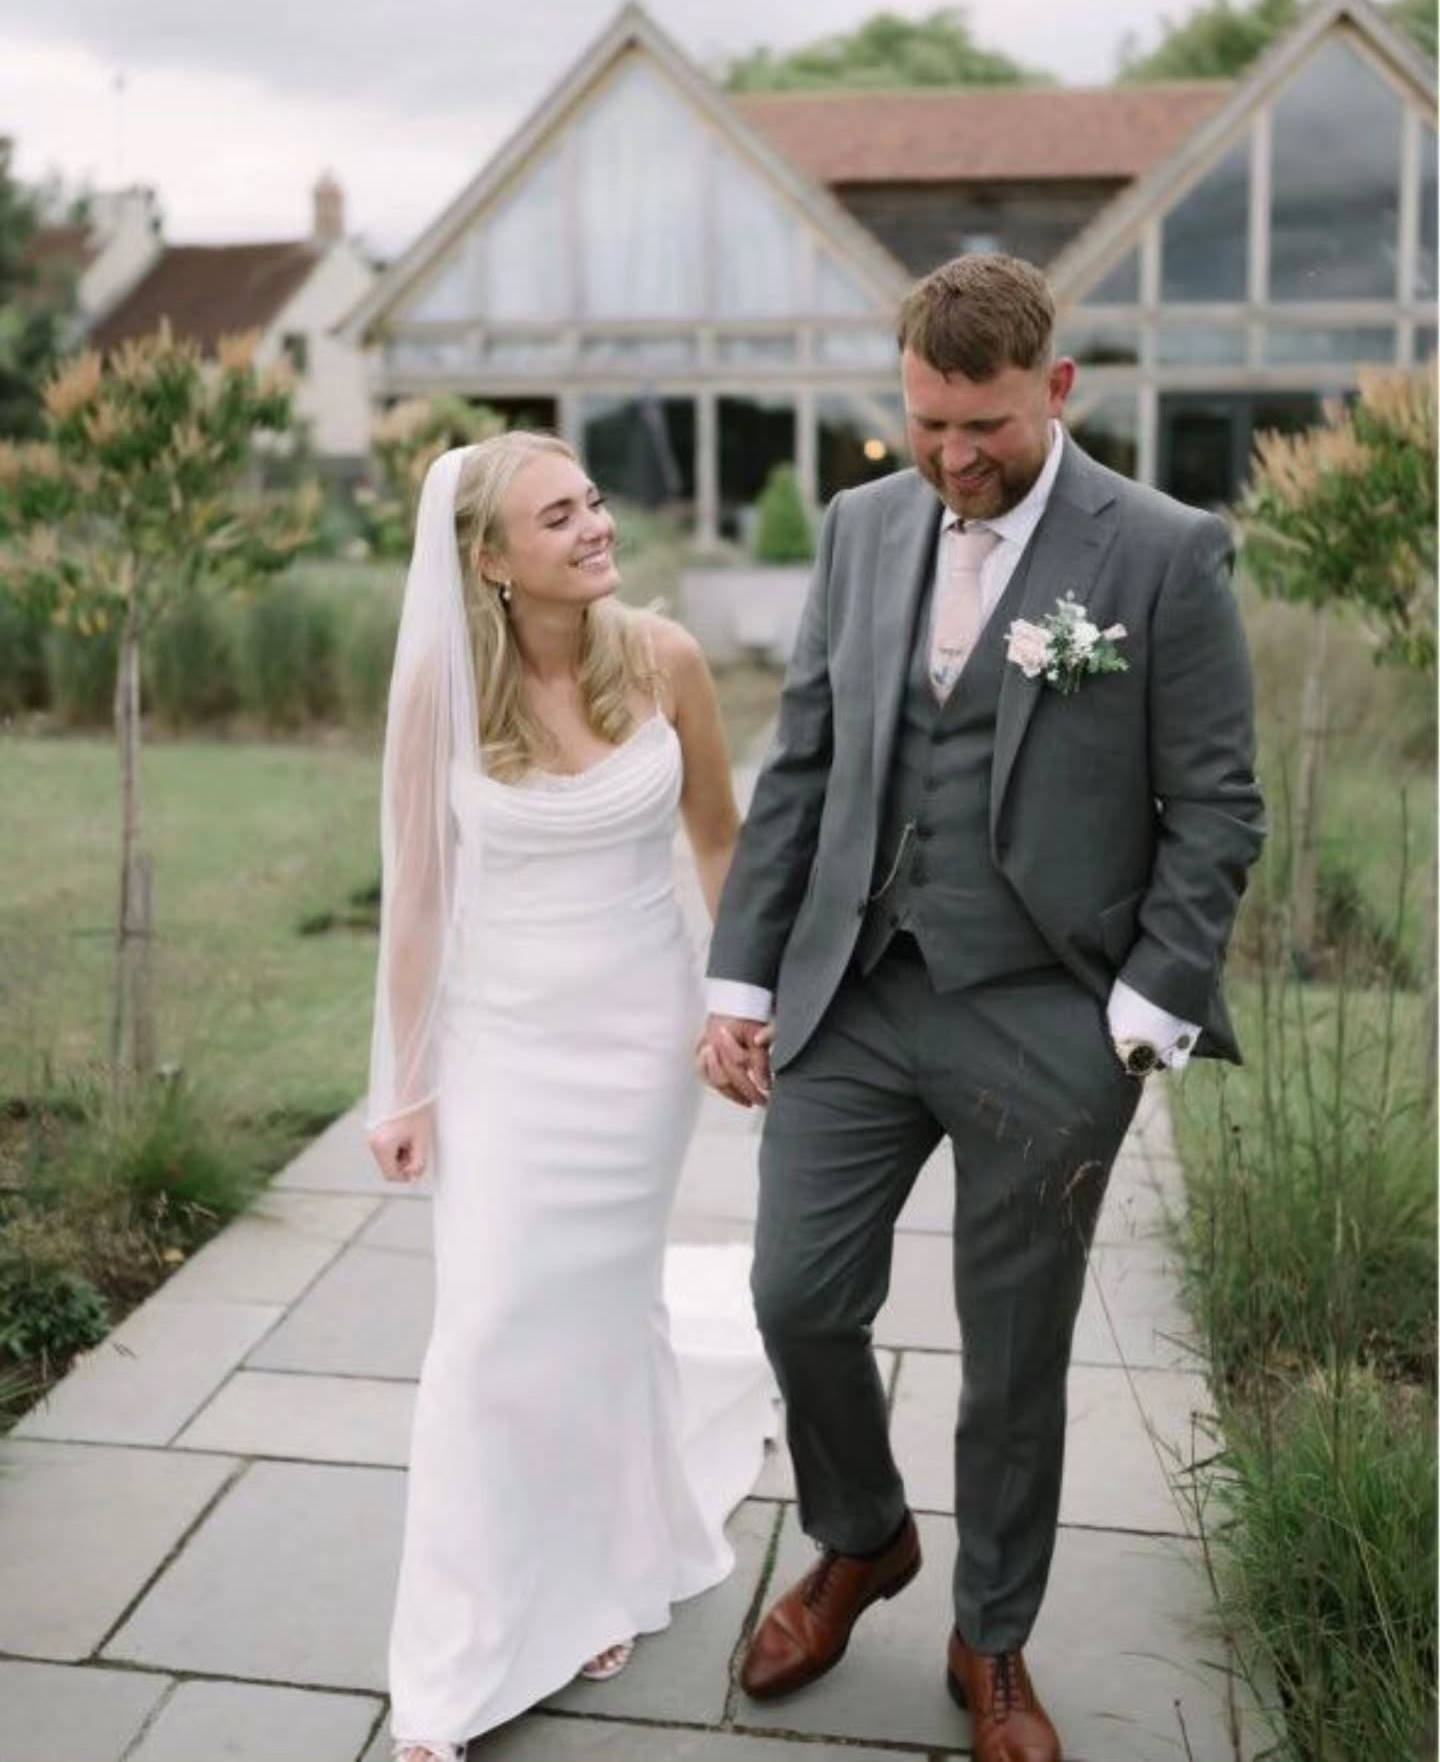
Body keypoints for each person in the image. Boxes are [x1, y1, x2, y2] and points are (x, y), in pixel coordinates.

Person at [699, 254, 1264, 1762]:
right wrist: (742, 975)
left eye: (987, 427)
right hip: (860, 991)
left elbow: (1216, 807)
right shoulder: (860, 526)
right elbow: (803, 765)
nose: (955, 458)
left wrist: (1145, 1014)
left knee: (1015, 1358)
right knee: (796, 1293)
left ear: (1058, 389)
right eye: (929, 422)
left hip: (1048, 1017)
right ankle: (863, 1534)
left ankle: (992, 1635)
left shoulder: (1162, 550)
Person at [365, 430, 773, 1762]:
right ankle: (453, 1663)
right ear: (487, 559)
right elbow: (418, 897)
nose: (598, 526)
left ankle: (604, 1564)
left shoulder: (665, 659)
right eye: (560, 516)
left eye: (595, 501)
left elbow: (719, 834)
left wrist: (738, 998)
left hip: (639, 1041)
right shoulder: (441, 685)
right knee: (486, 1332)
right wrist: (404, 1081)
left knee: (601, 1307)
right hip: (503, 1045)